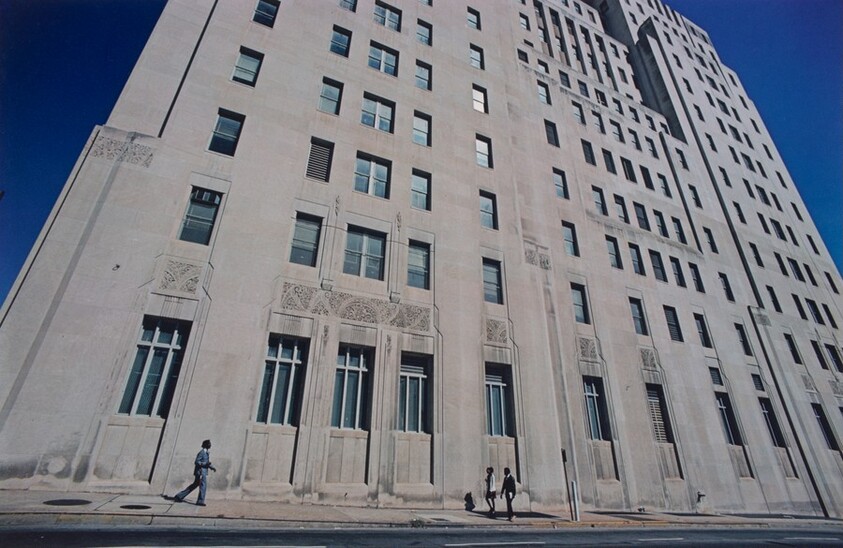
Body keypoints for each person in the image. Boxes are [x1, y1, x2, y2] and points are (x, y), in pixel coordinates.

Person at [174, 439, 216, 506]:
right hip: (201, 472)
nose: (210, 445)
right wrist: (205, 463)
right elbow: (196, 462)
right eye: (209, 444)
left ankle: (179, 496)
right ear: (206, 445)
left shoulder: (206, 452)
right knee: (203, 486)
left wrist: (212, 467)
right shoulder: (202, 452)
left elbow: (207, 463)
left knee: (195, 485)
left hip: (202, 472)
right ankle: (200, 501)